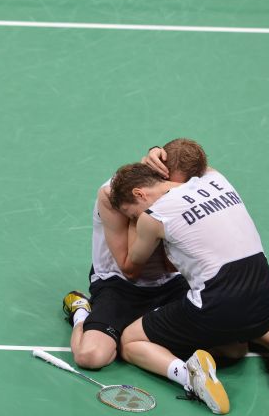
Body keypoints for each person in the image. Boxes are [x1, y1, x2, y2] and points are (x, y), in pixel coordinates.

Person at [108, 147, 269, 415]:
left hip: (217, 307)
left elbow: (133, 264)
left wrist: (135, 222)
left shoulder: (153, 217)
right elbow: (191, 157)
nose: (135, 217)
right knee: (237, 330)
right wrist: (154, 154)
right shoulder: (216, 179)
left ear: (139, 194)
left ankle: (191, 377)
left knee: (130, 341)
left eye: (131, 212)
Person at [61, 140, 205, 370]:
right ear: (159, 171)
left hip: (171, 282)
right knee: (90, 357)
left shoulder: (187, 191)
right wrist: (147, 217)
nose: (175, 192)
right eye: (171, 185)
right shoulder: (114, 194)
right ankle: (81, 312)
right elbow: (130, 268)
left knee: (232, 346)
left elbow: (171, 266)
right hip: (119, 284)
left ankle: (136, 335)